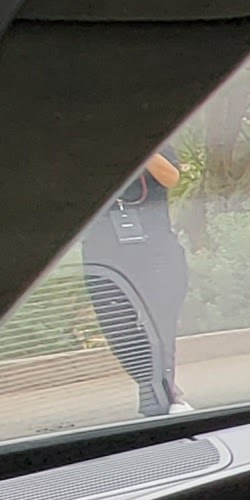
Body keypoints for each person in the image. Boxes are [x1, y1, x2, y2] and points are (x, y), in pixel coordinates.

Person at [79, 153, 190, 416]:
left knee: (161, 325)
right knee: (117, 327)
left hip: (155, 245)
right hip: (103, 250)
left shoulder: (153, 137)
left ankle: (163, 396)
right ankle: (156, 389)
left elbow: (171, 178)